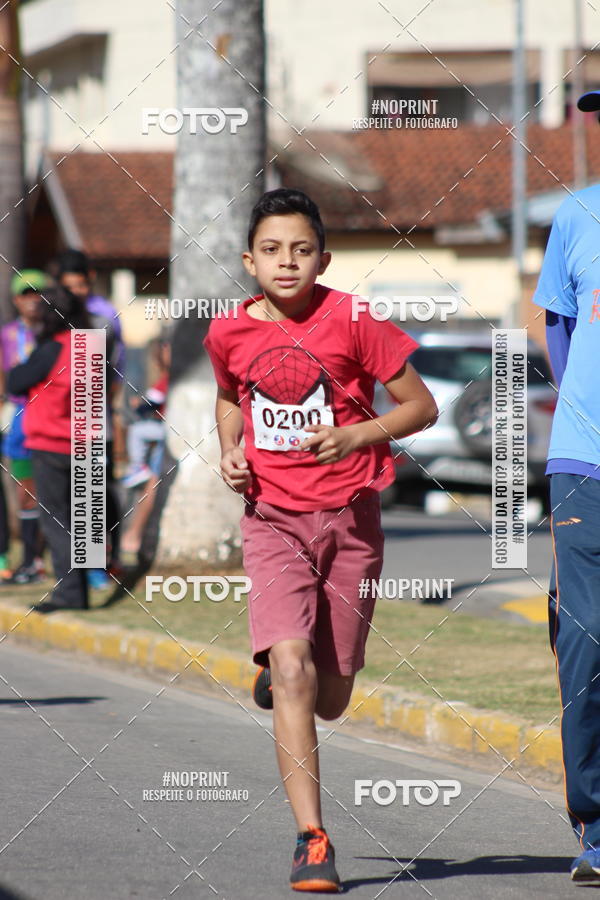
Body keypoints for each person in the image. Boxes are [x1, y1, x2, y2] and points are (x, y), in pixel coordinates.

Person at [204, 188, 437, 893]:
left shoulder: (355, 320)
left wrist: (355, 435)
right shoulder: (228, 332)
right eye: (272, 250)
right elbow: (227, 398)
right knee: (297, 672)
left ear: (323, 258)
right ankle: (312, 838)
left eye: (302, 250)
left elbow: (421, 406)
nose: (287, 262)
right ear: (250, 261)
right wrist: (230, 450)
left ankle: (286, 680)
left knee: (331, 695)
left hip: (351, 520)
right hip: (272, 519)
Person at [533, 89, 600, 885]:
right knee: (586, 642)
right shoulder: (576, 216)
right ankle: (595, 824)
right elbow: (557, 327)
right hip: (584, 463)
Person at [7, 286, 95, 613]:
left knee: (57, 520)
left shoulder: (51, 349)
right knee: (83, 519)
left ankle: (70, 592)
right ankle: (83, 588)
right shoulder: (90, 346)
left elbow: (16, 381)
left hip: (51, 443)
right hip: (88, 443)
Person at [55, 249, 125, 578]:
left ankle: (99, 564)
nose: (76, 293)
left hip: (93, 416)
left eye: (81, 285)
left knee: (94, 491)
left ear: (91, 280)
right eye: (69, 287)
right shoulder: (54, 314)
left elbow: (113, 369)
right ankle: (75, 563)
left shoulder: (104, 317)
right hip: (57, 419)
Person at [0, 270, 49, 584]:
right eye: (26, 293)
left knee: (57, 490)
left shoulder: (54, 333)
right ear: (16, 300)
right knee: (25, 492)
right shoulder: (7, 335)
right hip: (19, 419)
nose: (32, 299)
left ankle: (81, 563)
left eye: (37, 292)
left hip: (53, 417)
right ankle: (31, 559)